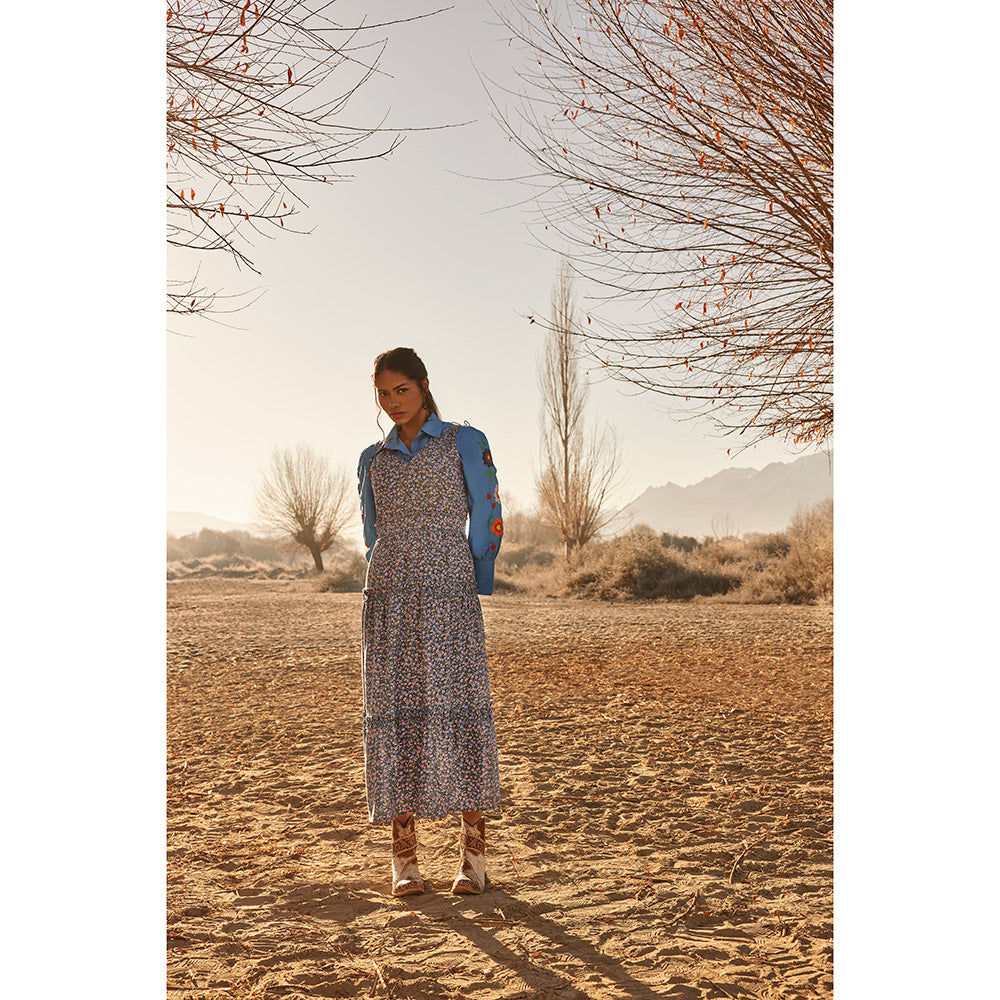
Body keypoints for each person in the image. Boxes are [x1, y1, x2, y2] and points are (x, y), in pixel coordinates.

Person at [356, 347, 503, 896]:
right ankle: (404, 861)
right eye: (384, 393)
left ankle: (474, 858)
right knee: (397, 713)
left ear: (423, 386)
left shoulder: (465, 441)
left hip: (448, 589)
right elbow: (371, 530)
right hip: (390, 593)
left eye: (403, 390)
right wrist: (392, 566)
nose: (393, 402)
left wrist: (472, 577)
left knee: (459, 708)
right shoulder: (373, 457)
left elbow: (488, 514)